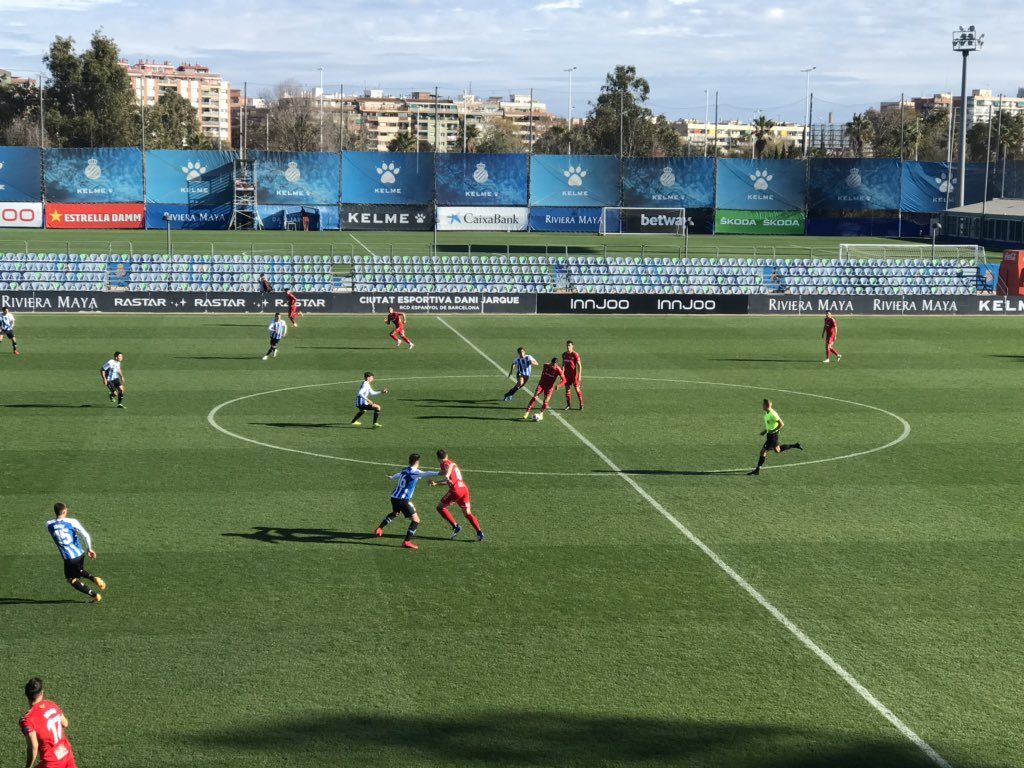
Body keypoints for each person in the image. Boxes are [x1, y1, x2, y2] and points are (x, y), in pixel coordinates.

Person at [375, 453, 439, 550]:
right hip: (403, 500)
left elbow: (398, 474)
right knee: (416, 520)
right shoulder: (415, 472)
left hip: (394, 497)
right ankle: (407, 542)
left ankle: (379, 528)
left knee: (395, 513)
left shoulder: (405, 470)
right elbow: (426, 473)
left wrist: (392, 477)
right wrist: (440, 473)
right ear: (417, 462)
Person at [45, 502, 106, 603]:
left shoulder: (48, 524)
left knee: (71, 579)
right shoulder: (72, 522)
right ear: (65, 511)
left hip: (68, 558)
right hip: (79, 553)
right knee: (79, 569)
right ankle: (94, 579)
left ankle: (95, 595)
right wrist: (89, 548)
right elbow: (85, 535)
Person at [20, 677, 78, 768]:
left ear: (26, 694)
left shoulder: (27, 720)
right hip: (66, 754)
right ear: (42, 693)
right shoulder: (51, 704)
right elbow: (65, 723)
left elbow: (34, 748)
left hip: (51, 763)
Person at [429, 449, 484, 541]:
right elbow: (451, 480)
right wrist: (437, 483)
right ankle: (479, 532)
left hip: (456, 491)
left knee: (440, 507)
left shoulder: (445, 463)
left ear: (438, 458)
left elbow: (448, 477)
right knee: (467, 513)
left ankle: (456, 527)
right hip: (464, 489)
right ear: (447, 455)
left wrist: (445, 477)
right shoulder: (451, 463)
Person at [748, 399, 802, 476]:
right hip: (772, 435)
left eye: (763, 404)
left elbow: (782, 424)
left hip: (772, 436)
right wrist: (765, 431)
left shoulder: (773, 414)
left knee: (763, 452)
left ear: (766, 405)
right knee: (777, 450)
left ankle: (757, 470)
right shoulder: (767, 413)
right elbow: (770, 424)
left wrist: (773, 430)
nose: (762, 406)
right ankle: (795, 445)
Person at [562, 340, 584, 410]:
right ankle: (568, 405)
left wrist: (579, 375)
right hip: (566, 375)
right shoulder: (564, 354)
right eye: (567, 345)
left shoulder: (575, 354)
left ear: (572, 346)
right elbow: (563, 365)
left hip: (574, 376)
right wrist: (562, 374)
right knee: (567, 390)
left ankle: (581, 404)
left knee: (577, 390)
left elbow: (579, 365)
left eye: (569, 345)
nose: (568, 347)